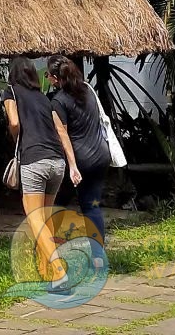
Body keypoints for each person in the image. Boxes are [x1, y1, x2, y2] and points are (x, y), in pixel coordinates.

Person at [3, 56, 81, 287]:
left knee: (34, 217)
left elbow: (14, 122)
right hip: (57, 162)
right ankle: (46, 270)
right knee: (45, 217)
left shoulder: (11, 92)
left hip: (34, 160)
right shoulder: (44, 98)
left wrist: (16, 139)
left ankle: (58, 271)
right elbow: (58, 129)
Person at [47, 55, 111, 258]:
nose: (47, 78)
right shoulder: (87, 90)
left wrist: (73, 166)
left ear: (55, 78)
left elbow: (63, 135)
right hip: (101, 155)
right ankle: (98, 256)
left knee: (57, 202)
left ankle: (47, 248)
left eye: (48, 75)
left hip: (81, 160)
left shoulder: (58, 101)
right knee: (92, 205)